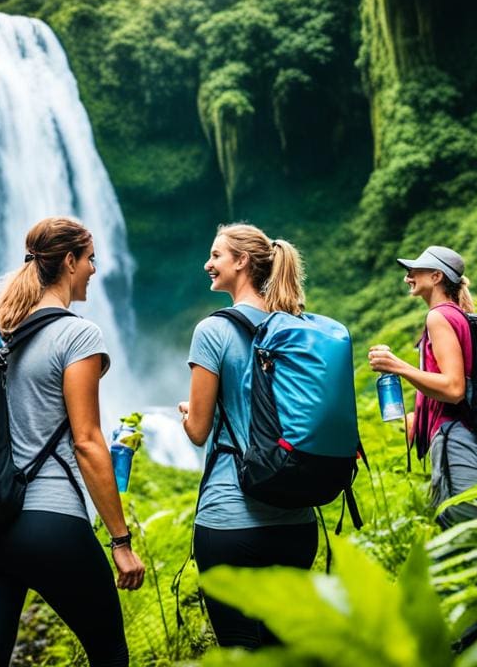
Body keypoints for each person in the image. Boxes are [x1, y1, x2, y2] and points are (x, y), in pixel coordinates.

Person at [0, 217, 144, 667]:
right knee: (110, 654)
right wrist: (121, 541)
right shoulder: (77, 334)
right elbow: (87, 441)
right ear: (69, 260)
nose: (95, 270)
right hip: (49, 521)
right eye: (91, 259)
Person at [177, 223, 318, 649]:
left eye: (216, 255)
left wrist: (189, 414)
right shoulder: (298, 328)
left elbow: (199, 432)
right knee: (282, 651)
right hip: (296, 520)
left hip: (229, 519)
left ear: (241, 262)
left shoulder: (213, 331)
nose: (208, 263)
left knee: (239, 651)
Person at [367, 245, 477, 528]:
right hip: (472, 435)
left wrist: (397, 366)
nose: (408, 277)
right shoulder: (457, 315)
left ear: (437, 276)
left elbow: (454, 389)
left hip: (457, 439)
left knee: (468, 528)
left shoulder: (439, 316)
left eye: (414, 271)